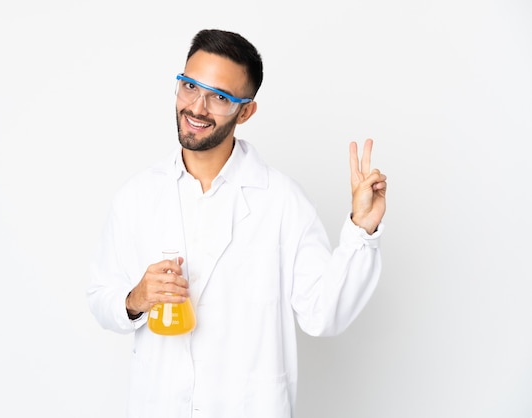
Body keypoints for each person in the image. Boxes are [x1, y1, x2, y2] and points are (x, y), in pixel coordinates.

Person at [87, 28, 387, 418]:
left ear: (245, 111)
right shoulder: (137, 196)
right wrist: (136, 299)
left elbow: (323, 314)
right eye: (190, 87)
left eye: (219, 97)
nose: (197, 107)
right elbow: (99, 296)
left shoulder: (282, 201)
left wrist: (361, 232)